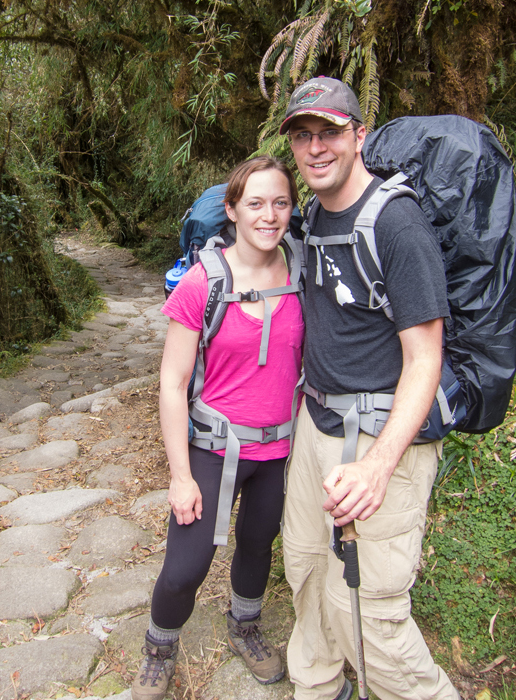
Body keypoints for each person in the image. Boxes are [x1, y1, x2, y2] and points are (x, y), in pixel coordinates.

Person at [280, 76, 459, 700]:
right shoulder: (313, 216)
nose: (315, 148)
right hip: (318, 421)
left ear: (359, 136)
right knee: (304, 569)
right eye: (303, 136)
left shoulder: (398, 225)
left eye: (329, 132)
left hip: (384, 436)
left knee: (371, 609)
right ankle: (317, 685)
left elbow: (424, 358)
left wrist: (380, 465)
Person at [132, 156, 303, 699]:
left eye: (280, 203)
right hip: (212, 449)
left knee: (258, 544)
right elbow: (172, 380)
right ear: (232, 210)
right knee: (187, 566)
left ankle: (245, 627)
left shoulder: (304, 273)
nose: (269, 215)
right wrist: (180, 475)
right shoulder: (203, 283)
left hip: (278, 450)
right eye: (255, 203)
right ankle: (159, 649)